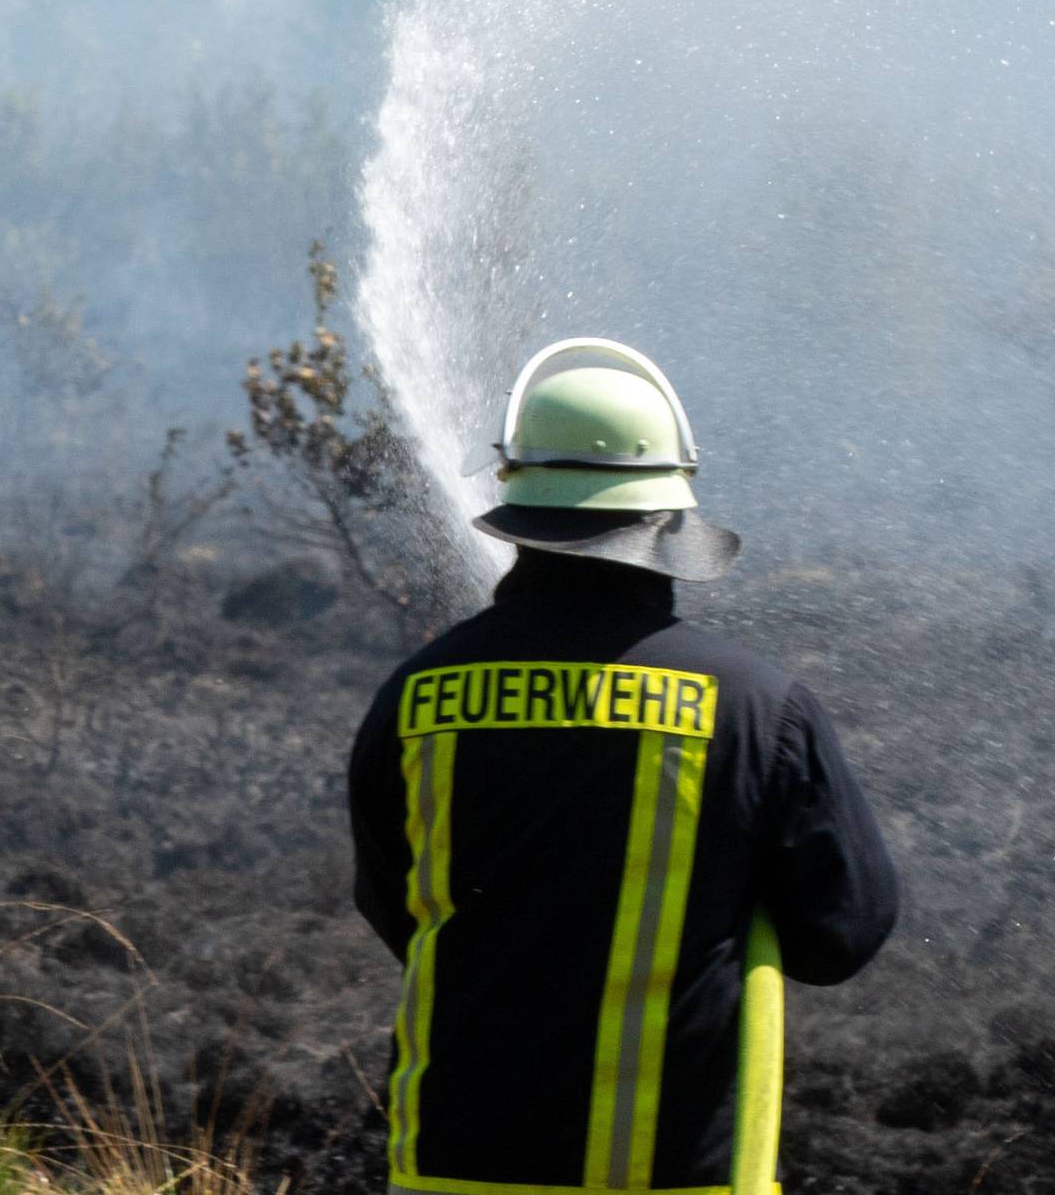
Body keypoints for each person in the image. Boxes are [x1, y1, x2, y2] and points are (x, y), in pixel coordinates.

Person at [347, 339, 899, 1194]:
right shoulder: (754, 707)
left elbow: (400, 908)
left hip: (447, 1168)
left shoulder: (416, 698)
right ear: (670, 521)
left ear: (517, 507)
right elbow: (841, 933)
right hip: (665, 1174)